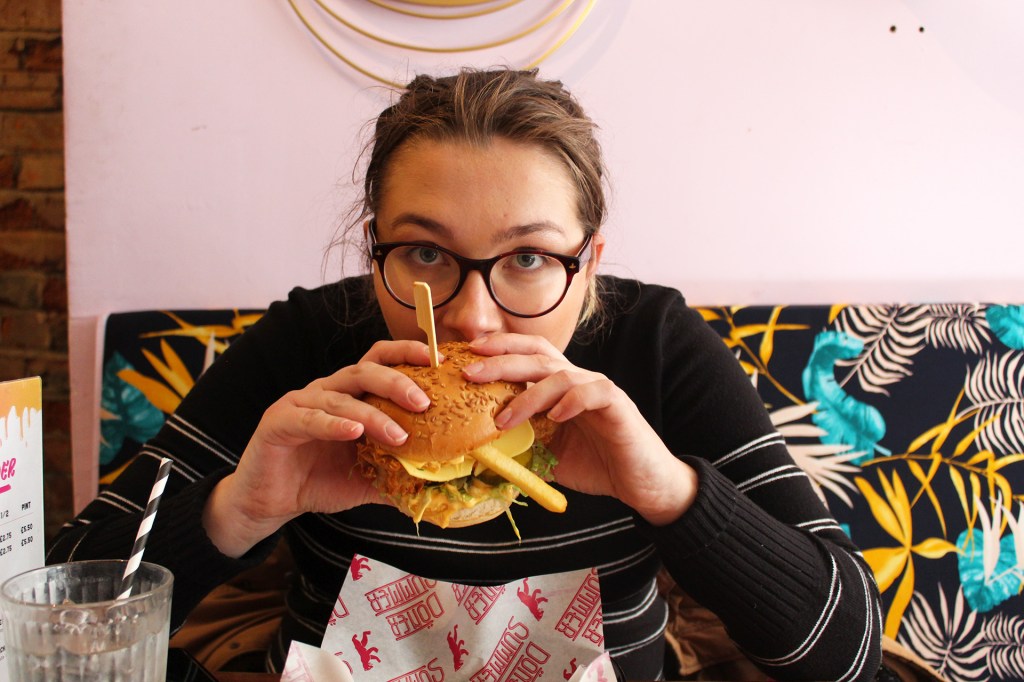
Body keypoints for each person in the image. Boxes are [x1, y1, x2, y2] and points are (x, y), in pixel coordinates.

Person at [50, 67, 882, 680]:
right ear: (373, 242)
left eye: (528, 257)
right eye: (423, 253)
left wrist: (671, 494)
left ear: (590, 263)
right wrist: (239, 509)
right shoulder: (311, 341)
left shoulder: (653, 344)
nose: (473, 317)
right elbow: (57, 632)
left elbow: (846, 654)